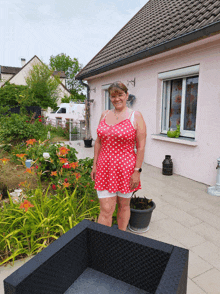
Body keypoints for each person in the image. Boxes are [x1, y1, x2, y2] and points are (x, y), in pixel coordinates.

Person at [91, 82, 147, 231]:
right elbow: (98, 142)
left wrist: (137, 171)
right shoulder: (104, 114)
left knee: (123, 206)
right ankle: (104, 242)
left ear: (127, 95)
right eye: (113, 96)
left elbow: (141, 147)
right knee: (105, 210)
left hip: (126, 170)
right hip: (104, 168)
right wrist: (94, 165)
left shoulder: (136, 116)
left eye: (120, 95)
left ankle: (121, 238)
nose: (116, 99)